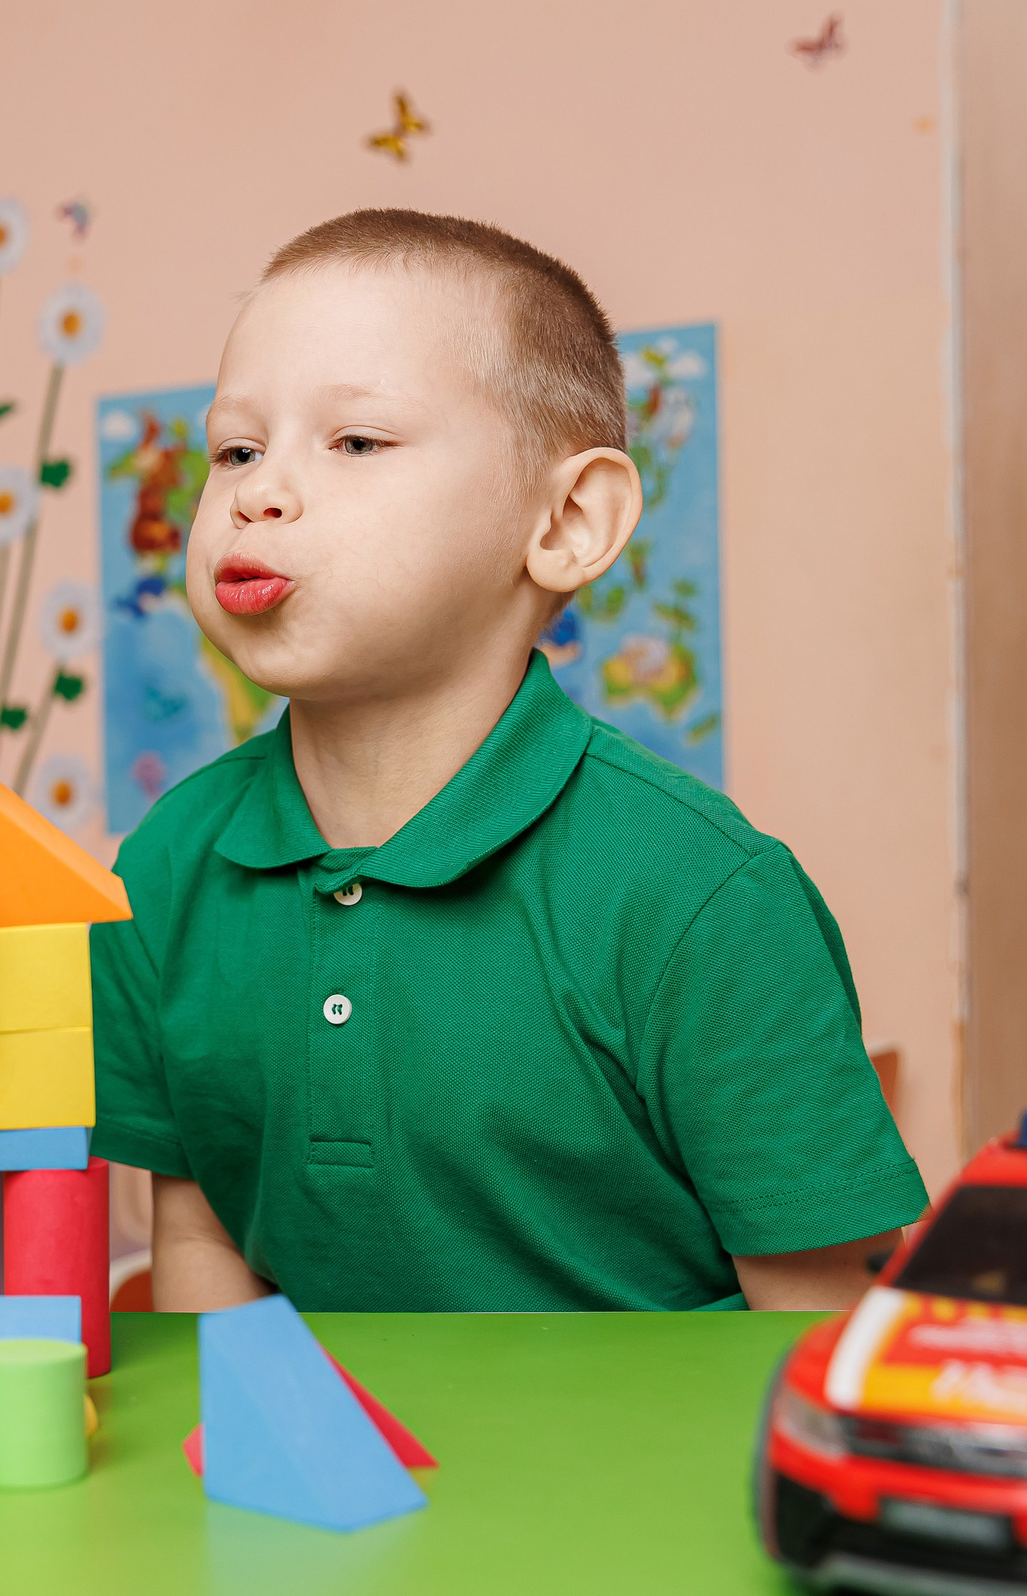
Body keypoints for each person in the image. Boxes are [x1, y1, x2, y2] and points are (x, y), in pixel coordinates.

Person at [92, 210, 925, 1315]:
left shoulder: (703, 898)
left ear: (570, 520)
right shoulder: (162, 869)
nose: (256, 491)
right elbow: (196, 1230)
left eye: (354, 442)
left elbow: (811, 1327)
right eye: (237, 449)